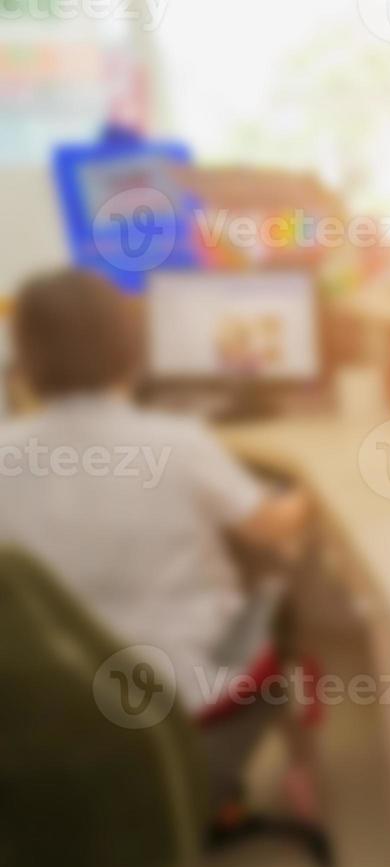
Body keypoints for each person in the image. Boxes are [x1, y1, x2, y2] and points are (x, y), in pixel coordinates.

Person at [0, 268, 312, 803]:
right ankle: (301, 776)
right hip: (185, 694)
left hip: (59, 702)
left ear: (26, 362)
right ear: (130, 346)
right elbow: (272, 528)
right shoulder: (176, 442)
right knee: (282, 599)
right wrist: (308, 490)